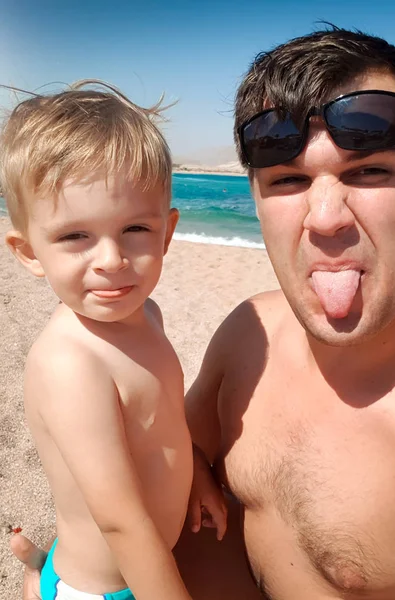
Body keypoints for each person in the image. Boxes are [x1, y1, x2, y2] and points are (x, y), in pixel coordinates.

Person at [12, 25, 395, 600]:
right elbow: (168, 450)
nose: (324, 218)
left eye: (368, 171)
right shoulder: (251, 333)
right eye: (288, 180)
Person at [2, 81, 226, 600]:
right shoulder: (70, 363)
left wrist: (196, 473)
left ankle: (39, 566)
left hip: (144, 564)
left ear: (167, 233)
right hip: (105, 588)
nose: (111, 259)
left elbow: (165, 417)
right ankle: (44, 577)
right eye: (75, 236)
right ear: (29, 252)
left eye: (135, 229)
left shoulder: (147, 313)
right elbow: (121, 522)